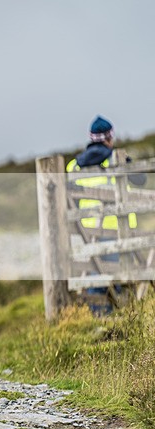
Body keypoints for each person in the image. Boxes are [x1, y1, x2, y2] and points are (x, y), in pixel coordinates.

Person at [66, 116, 146, 313]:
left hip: (86, 231)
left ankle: (99, 315)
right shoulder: (116, 159)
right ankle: (117, 316)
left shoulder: (74, 166)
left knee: (96, 273)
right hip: (118, 228)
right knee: (119, 273)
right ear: (109, 137)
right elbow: (141, 179)